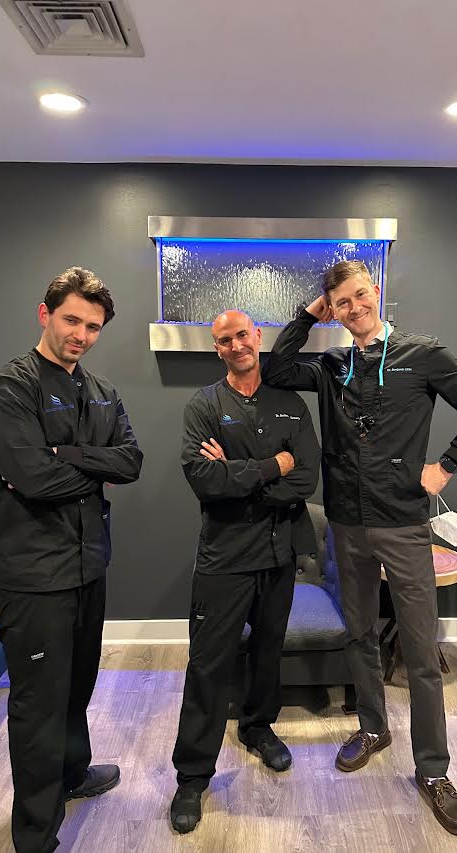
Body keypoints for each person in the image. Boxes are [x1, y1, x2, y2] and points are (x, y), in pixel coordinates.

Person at [262, 260, 457, 837]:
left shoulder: (423, 355)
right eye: (340, 303)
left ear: (377, 293)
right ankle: (373, 727)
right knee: (361, 633)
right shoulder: (332, 364)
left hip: (402, 523)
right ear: (334, 311)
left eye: (359, 295)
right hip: (347, 522)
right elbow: (275, 368)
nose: (354, 307)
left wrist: (446, 466)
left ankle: (433, 771)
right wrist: (309, 312)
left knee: (422, 651)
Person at [0, 267, 143, 853]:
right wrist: (89, 470)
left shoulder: (101, 392)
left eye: (93, 326)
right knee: (39, 706)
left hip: (87, 565)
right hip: (34, 574)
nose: (81, 334)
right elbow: (31, 477)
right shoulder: (10, 388)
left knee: (77, 688)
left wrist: (69, 454)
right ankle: (35, 835)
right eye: (72, 320)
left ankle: (72, 775)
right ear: (45, 314)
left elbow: (131, 462)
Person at [170, 310, 321, 834]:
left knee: (268, 649)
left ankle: (258, 728)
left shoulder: (291, 403)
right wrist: (269, 467)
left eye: (242, 335)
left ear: (257, 337)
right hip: (225, 556)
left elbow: (306, 477)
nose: (236, 345)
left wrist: (242, 474)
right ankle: (192, 776)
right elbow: (206, 481)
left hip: (279, 552)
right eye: (224, 340)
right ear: (216, 349)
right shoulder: (204, 406)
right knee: (208, 663)